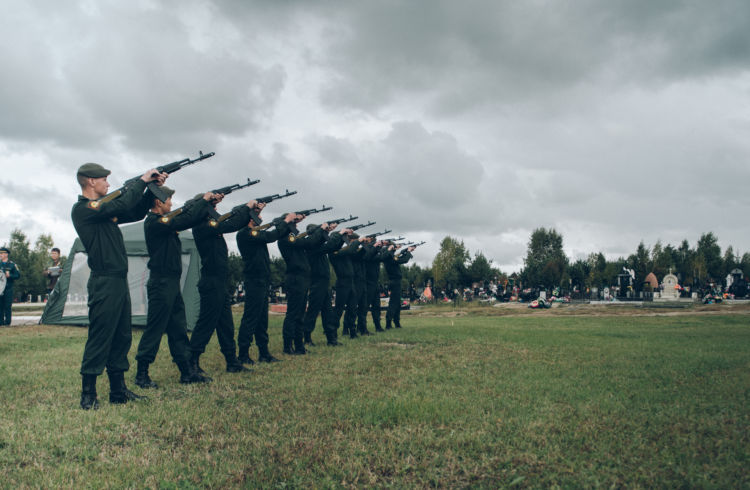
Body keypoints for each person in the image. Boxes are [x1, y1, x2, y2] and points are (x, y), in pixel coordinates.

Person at [72, 162, 166, 409]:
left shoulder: (103, 210)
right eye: (104, 179)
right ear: (91, 181)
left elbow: (133, 211)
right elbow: (123, 203)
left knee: (122, 335)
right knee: (101, 335)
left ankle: (118, 390)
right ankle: (88, 394)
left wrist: (151, 190)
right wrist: (141, 181)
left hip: (117, 280)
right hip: (104, 280)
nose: (108, 183)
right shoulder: (84, 209)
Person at [134, 187, 215, 389]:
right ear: (158, 202)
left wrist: (206, 205)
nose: (171, 204)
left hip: (171, 282)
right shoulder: (155, 223)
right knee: (155, 329)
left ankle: (187, 372)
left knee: (178, 328)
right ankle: (141, 374)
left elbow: (189, 218)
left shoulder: (165, 223)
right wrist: (202, 201)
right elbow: (185, 219)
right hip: (161, 283)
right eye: (169, 200)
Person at [189, 197, 258, 375]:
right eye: (210, 206)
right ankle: (192, 361)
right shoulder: (203, 226)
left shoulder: (211, 225)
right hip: (211, 281)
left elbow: (230, 221)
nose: (214, 208)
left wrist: (251, 211)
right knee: (206, 324)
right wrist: (246, 207)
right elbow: (231, 224)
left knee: (226, 326)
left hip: (219, 281)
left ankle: (232, 361)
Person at [236, 210, 295, 364]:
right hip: (254, 280)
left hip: (262, 280)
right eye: (258, 215)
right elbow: (271, 236)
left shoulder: (255, 233)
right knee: (250, 318)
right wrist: (286, 221)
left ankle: (264, 353)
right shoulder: (246, 234)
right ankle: (243, 354)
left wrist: (288, 224)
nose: (261, 218)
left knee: (262, 320)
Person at [277, 214, 326, 355]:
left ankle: (299, 346)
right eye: (293, 223)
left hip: (302, 278)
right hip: (295, 278)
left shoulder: (292, 237)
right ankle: (288, 346)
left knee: (300, 314)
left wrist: (322, 233)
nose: (296, 226)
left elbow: (311, 242)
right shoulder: (286, 238)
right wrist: (320, 230)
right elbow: (309, 242)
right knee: (292, 314)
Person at [302, 223, 347, 346]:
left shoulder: (318, 246)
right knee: (313, 311)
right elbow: (330, 245)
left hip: (323, 282)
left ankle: (331, 339)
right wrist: (338, 234)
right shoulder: (312, 247)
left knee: (328, 312)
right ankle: (306, 337)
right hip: (317, 282)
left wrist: (341, 237)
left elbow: (333, 246)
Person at [330, 233, 365, 338]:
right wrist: (358, 241)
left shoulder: (345, 251)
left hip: (351, 282)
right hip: (342, 282)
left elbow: (358, 255)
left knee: (352, 308)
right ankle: (333, 332)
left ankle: (352, 331)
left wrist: (365, 245)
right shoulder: (335, 251)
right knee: (339, 309)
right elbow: (350, 250)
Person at [383, 243, 416, 329]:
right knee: (393, 304)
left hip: (395, 282)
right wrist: (408, 251)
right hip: (395, 282)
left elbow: (399, 257)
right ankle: (388, 323)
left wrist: (404, 251)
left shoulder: (389, 257)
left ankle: (396, 322)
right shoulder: (389, 258)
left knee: (397, 304)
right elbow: (403, 260)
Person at [362, 239, 386, 332]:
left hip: (375, 283)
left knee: (376, 307)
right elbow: (369, 256)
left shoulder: (375, 253)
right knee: (365, 307)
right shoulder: (368, 254)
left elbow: (382, 256)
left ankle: (378, 326)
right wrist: (375, 247)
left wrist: (381, 247)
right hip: (368, 283)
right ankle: (362, 327)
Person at [0, 247, 21, 326]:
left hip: (8, 288)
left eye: (2, 253)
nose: (0, 255)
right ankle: (0, 322)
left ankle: (7, 322)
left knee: (7, 306)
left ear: (6, 254)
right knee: (0, 306)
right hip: (0, 289)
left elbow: (18, 275)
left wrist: (10, 276)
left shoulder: (12, 265)